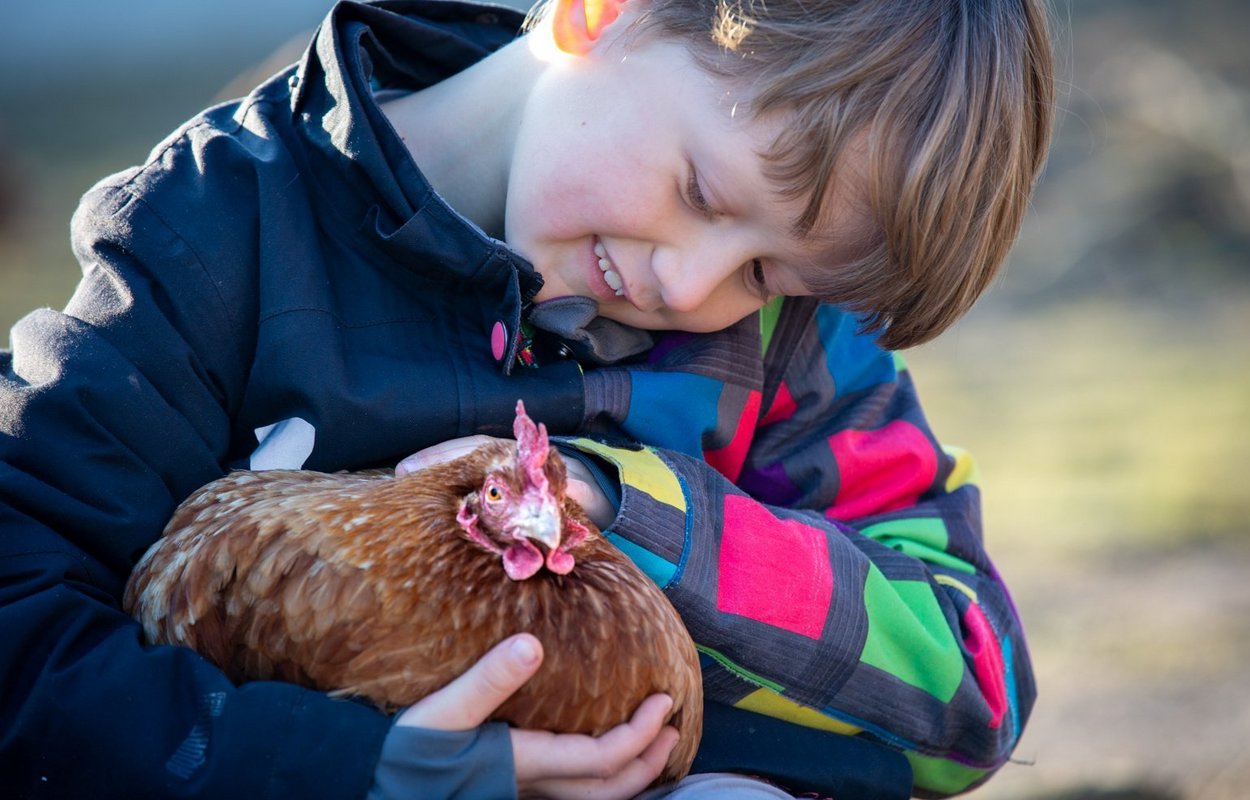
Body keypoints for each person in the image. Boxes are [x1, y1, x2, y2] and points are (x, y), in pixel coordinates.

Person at [0, 0, 1054, 797]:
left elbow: (974, 680)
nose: (692, 289)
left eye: (767, 271)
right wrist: (348, 765)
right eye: (701, 192)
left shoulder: (790, 345)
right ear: (605, 13)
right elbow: (19, 616)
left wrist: (630, 508)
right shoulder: (222, 233)